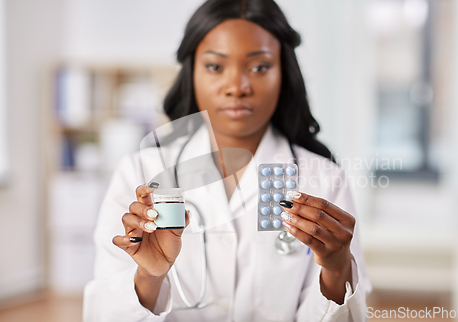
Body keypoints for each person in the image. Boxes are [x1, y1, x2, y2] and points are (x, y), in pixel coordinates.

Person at [83, 0, 371, 321]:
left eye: (259, 67)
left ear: (284, 74)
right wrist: (149, 276)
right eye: (215, 66)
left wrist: (336, 268)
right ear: (192, 72)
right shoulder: (139, 171)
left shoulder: (323, 179)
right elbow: (107, 311)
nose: (237, 87)